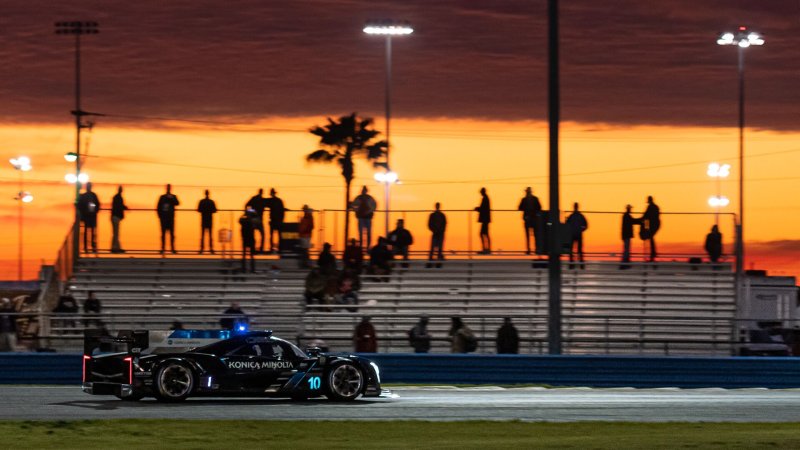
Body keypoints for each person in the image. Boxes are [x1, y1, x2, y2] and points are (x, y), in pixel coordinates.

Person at [77, 182, 101, 253]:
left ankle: (90, 246)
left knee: (91, 232)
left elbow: (97, 204)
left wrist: (95, 211)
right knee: (89, 232)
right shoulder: (92, 195)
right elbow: (80, 205)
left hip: (90, 216)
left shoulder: (90, 195)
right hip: (88, 216)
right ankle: (89, 246)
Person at [518, 187, 543, 255]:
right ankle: (536, 249)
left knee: (529, 235)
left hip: (529, 219)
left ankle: (530, 249)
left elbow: (519, 208)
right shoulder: (534, 199)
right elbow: (540, 208)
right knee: (534, 235)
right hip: (533, 219)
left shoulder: (524, 199)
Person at [156, 184, 180, 254]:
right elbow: (158, 207)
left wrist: (171, 198)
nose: (168, 189)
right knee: (163, 234)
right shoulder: (162, 197)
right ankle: (163, 248)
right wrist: (160, 216)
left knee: (172, 234)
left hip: (170, 217)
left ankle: (172, 248)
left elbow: (177, 203)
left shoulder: (173, 196)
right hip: (164, 218)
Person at [566, 202, 588, 267]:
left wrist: (580, 230)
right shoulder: (580, 216)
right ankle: (580, 264)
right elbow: (586, 225)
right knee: (578, 250)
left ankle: (572, 264)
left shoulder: (571, 216)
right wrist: (581, 230)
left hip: (574, 234)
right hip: (576, 234)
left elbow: (567, 225)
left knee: (574, 250)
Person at [245, 188, 268, 253]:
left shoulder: (254, 198)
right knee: (263, 234)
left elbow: (246, 205)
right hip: (259, 219)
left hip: (253, 219)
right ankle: (261, 249)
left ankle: (253, 248)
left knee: (252, 234)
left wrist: (249, 213)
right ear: (262, 193)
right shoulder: (262, 200)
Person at [641, 196, 661, 262]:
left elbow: (645, 217)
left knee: (651, 236)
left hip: (653, 225)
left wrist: (646, 227)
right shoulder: (656, 207)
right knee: (651, 237)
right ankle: (653, 253)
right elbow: (647, 217)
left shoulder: (650, 207)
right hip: (656, 224)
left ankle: (653, 254)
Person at [197, 189, 217, 254]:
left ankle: (202, 249)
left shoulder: (202, 201)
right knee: (210, 235)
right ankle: (211, 249)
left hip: (204, 219)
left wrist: (204, 211)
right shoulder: (211, 202)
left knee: (203, 235)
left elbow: (199, 210)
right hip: (209, 219)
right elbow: (214, 210)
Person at [427, 202, 447, 267]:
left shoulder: (442, 215)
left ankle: (437, 262)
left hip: (440, 233)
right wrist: (434, 230)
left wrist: (440, 231)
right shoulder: (433, 215)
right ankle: (431, 261)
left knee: (439, 248)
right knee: (433, 248)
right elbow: (429, 224)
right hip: (436, 233)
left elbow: (444, 224)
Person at [266, 188, 286, 253]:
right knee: (279, 235)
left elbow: (263, 204)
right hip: (278, 221)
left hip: (273, 220)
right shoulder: (279, 201)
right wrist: (282, 220)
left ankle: (272, 247)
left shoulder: (270, 201)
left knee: (272, 235)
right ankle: (280, 247)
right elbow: (283, 211)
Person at [110, 185, 128, 253]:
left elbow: (119, 205)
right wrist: (124, 208)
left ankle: (115, 247)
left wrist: (124, 207)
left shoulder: (117, 197)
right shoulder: (118, 197)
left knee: (115, 233)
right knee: (116, 233)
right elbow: (119, 206)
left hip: (115, 216)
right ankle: (115, 248)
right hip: (116, 217)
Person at [620, 204, 638, 269]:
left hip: (625, 235)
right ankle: (624, 264)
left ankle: (626, 263)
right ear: (628, 209)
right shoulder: (627, 216)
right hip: (627, 235)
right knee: (626, 250)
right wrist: (642, 221)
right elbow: (633, 221)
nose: (631, 210)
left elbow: (633, 221)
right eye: (630, 208)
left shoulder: (626, 216)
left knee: (626, 249)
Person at [239, 207, 257, 273]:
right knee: (250, 256)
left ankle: (245, 269)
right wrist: (251, 213)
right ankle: (251, 269)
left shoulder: (244, 221)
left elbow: (239, 220)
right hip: (249, 239)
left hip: (247, 239)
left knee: (246, 255)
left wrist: (244, 214)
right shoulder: (252, 221)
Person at [475, 187, 491, 254]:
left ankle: (486, 249)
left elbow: (483, 208)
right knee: (485, 234)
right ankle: (486, 249)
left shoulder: (485, 199)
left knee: (483, 233)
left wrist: (477, 209)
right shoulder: (486, 198)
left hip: (485, 219)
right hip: (485, 219)